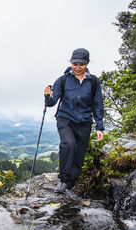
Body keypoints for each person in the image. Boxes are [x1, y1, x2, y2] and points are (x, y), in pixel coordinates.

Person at [44, 48, 104, 197]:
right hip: (65, 119)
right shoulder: (63, 80)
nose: (77, 68)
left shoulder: (93, 82)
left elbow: (97, 104)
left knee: (79, 155)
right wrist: (47, 96)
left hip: (84, 122)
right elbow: (51, 103)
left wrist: (99, 126)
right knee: (68, 144)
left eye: (81, 65)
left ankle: (69, 186)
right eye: (74, 64)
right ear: (70, 63)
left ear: (87, 64)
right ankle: (63, 180)